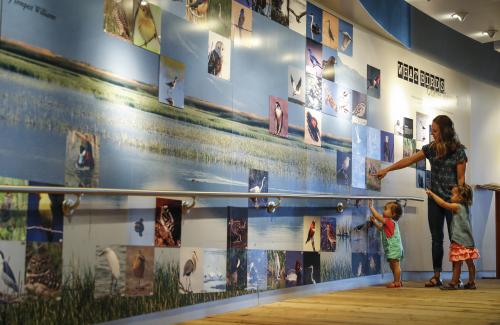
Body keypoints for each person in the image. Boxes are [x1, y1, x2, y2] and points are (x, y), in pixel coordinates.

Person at [375, 115, 467, 287]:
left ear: (445, 131)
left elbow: (461, 179)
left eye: (435, 131)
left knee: (456, 238)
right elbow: (408, 160)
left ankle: (456, 277)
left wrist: (460, 204)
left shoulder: (459, 151)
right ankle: (437, 275)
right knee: (436, 238)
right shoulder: (431, 149)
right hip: (434, 198)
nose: (432, 134)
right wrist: (387, 169)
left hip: (452, 201)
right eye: (431, 130)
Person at [426, 184, 479, 290]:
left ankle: (454, 282)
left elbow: (443, 203)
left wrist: (432, 194)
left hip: (459, 240)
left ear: (460, 197)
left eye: (453, 194)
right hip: (468, 239)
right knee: (470, 263)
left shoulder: (456, 206)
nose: (450, 196)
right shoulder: (466, 207)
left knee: (457, 263)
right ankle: (472, 282)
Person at [368, 200, 404, 288]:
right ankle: (397, 280)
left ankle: (397, 282)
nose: (383, 211)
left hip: (394, 248)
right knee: (393, 265)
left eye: (386, 209)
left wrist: (371, 207)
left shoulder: (389, 221)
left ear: (393, 214)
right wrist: (375, 222)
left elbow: (377, 216)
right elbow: (381, 229)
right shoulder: (387, 223)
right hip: (391, 248)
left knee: (395, 265)